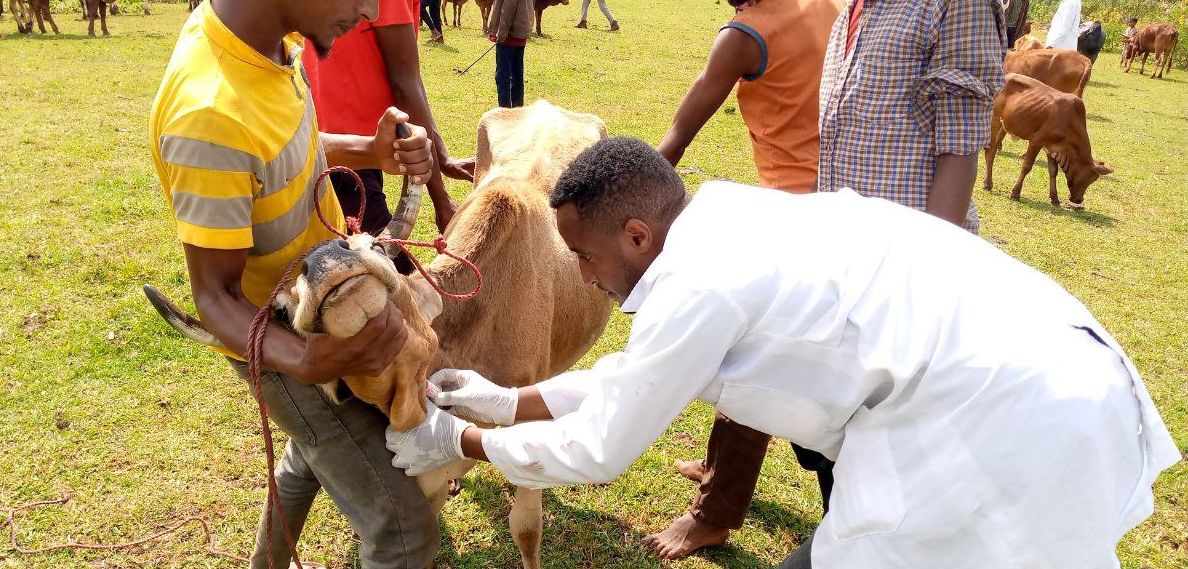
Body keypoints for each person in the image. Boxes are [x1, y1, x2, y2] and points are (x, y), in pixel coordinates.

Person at [385, 137, 1181, 568]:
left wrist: (457, 439)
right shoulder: (725, 221)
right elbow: (637, 384)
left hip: (997, 418)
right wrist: (502, 401)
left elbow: (600, 449)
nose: (585, 279)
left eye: (586, 257)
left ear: (636, 235)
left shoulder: (699, 286)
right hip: (1051, 361)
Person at [148, 0, 438, 567]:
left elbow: (284, 150)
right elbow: (215, 297)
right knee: (404, 532)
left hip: (324, 316)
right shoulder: (208, 114)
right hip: (288, 343)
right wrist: (310, 363)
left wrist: (371, 151)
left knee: (314, 448)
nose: (371, 12)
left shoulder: (267, 46)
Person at [647, 0, 843, 559]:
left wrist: (623, 203)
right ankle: (717, 468)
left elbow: (679, 135)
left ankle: (714, 512)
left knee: (751, 353)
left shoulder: (744, 35)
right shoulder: (821, 0)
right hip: (839, 200)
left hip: (794, 213)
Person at [301, 0, 474, 272]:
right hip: (349, 157)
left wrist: (442, 156)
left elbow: (409, 78)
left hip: (325, 138)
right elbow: (405, 82)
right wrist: (442, 202)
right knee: (395, 280)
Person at [819, 0, 1005, 233]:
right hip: (843, 245)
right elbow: (831, 148)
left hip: (901, 250)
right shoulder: (851, 7)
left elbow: (960, 149)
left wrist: (920, 262)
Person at [488, 0, 534, 108]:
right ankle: (518, 114)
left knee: (503, 76)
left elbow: (509, 7)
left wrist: (501, 33)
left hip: (509, 34)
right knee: (517, 75)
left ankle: (505, 115)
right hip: (521, 30)